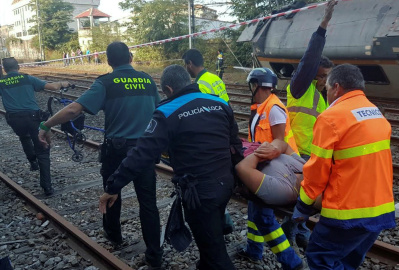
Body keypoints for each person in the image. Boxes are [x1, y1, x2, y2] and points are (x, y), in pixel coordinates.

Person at [98, 64, 242, 270]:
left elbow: (141, 154)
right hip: (225, 184)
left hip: (199, 193)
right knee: (210, 238)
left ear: (168, 90)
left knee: (216, 254)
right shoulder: (219, 103)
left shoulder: (167, 112)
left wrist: (113, 186)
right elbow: (235, 146)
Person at [37, 42, 163, 268]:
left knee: (112, 193)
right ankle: (155, 255)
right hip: (144, 150)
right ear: (131, 57)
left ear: (108, 61)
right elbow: (159, 111)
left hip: (117, 150)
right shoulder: (147, 80)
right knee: (148, 203)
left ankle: (114, 236)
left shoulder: (105, 82)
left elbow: (74, 109)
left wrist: (46, 125)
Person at [292, 64, 396, 269]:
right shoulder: (375, 113)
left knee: (319, 257)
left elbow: (316, 171)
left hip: (348, 214)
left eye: (327, 89)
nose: (327, 93)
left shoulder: (331, 117)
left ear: (336, 88)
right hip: (380, 209)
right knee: (346, 262)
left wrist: (303, 206)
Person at [237, 67, 303, 270]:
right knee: (254, 209)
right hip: (263, 166)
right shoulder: (262, 106)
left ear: (257, 85)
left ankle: (291, 261)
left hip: (277, 171)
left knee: (262, 217)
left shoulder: (273, 108)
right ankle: (253, 250)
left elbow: (279, 142)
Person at [283, 0, 336, 251]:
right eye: (322, 75)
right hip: (298, 151)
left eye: (327, 76)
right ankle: (295, 229)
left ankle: (296, 227)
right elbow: (309, 58)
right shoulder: (300, 86)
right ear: (312, 72)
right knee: (303, 195)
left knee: (306, 196)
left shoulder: (321, 95)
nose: (324, 80)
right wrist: (323, 24)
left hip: (314, 154)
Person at [0, 57, 70, 196]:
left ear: (5, 69)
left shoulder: (1, 82)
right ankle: (47, 187)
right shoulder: (27, 79)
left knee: (24, 136)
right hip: (32, 118)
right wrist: (63, 83)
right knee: (43, 150)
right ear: (18, 67)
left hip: (14, 120)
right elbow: (53, 87)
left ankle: (32, 162)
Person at [236, 139, 305, 206]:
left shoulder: (283, 192)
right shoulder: (305, 167)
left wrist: (262, 152)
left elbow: (242, 168)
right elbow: (283, 144)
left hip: (233, 153)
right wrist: (275, 149)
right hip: (241, 144)